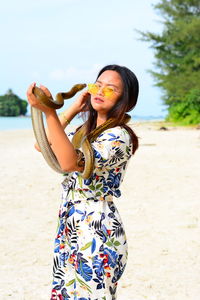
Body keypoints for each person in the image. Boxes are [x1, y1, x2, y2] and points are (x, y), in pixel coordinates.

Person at [27, 64, 139, 300]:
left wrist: (48, 112)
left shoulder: (118, 136)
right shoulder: (84, 132)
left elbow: (69, 163)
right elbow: (43, 146)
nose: (100, 91)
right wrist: (71, 109)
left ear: (125, 100)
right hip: (72, 224)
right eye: (97, 85)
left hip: (97, 227)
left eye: (110, 89)